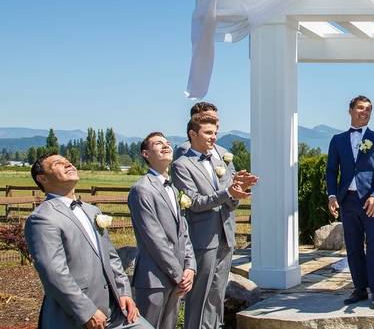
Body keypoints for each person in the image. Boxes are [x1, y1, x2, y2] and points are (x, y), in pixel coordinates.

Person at [25, 152, 154, 329]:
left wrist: (124, 292)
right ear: (42, 178)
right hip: (76, 317)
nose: (68, 164)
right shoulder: (42, 218)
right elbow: (53, 273)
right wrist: (86, 311)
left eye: (68, 161)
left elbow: (112, 258)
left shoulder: (93, 211)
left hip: (116, 311)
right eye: (58, 163)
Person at [171, 112, 258, 329]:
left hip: (226, 233)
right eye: (208, 133)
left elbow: (230, 198)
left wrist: (239, 192)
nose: (213, 137)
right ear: (192, 134)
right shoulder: (182, 165)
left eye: (215, 133)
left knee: (218, 295)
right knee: (200, 296)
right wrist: (228, 192)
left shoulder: (221, 160)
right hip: (203, 236)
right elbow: (194, 202)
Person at [326, 95, 374, 309]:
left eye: (369, 109)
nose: (365, 112)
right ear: (351, 110)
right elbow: (331, 170)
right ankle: (360, 289)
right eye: (361, 108)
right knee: (353, 247)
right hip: (347, 201)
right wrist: (332, 196)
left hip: (371, 201)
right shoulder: (337, 140)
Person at [128, 132, 197, 329]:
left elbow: (184, 232)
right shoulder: (142, 190)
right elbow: (154, 239)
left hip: (178, 278)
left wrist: (190, 267)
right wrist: (179, 274)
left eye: (167, 143)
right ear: (146, 154)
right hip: (154, 279)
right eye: (158, 144)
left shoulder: (174, 190)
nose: (166, 146)